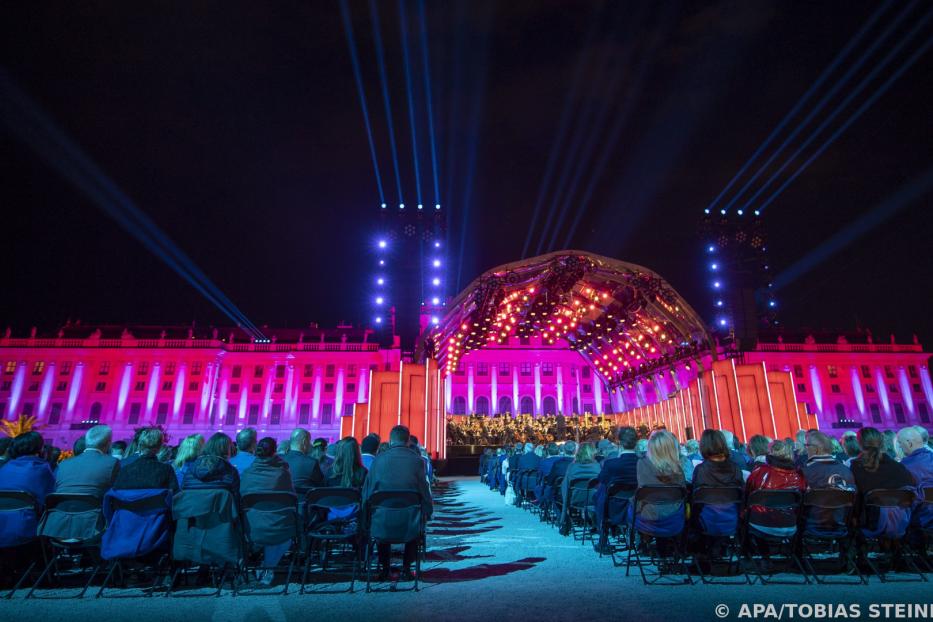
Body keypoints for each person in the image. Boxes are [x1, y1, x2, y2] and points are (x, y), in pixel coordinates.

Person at [361, 425, 432, 581]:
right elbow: (423, 489)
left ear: (390, 440)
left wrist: (364, 514)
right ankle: (406, 569)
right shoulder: (418, 461)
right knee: (416, 520)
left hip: (382, 520)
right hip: (409, 522)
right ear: (407, 440)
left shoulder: (378, 460)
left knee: (380, 517)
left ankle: (385, 569)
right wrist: (429, 510)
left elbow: (368, 490)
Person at [240, 436, 294, 585]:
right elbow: (291, 497)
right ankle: (268, 568)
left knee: (272, 529)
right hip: (278, 526)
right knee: (282, 536)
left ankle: (267, 568)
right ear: (275, 451)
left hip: (251, 527)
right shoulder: (283, 473)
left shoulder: (247, 473)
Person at [745, 439, 806, 535]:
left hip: (761, 523)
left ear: (769, 453)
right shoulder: (799, 475)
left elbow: (747, 497)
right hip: (790, 524)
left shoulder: (759, 472)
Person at [54, 424, 120, 497]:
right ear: (109, 444)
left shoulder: (63, 464)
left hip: (60, 507)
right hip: (95, 507)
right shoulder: (112, 462)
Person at [112, 427, 179, 492]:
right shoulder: (166, 470)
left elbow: (116, 493)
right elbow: (174, 494)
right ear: (159, 448)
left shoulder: (124, 469)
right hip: (155, 503)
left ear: (139, 446)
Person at [182, 433, 241, 504]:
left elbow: (183, 492)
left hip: (189, 512)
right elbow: (235, 500)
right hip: (218, 513)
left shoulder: (191, 468)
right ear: (227, 450)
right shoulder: (230, 471)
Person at [0, 431, 55, 505]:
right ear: (39, 449)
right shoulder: (41, 467)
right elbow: (49, 497)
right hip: (27, 514)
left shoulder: (6, 466)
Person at [559, 442, 601, 531]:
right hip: (594, 499)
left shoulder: (572, 467)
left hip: (576, 499)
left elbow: (565, 487)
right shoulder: (597, 467)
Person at [898, 426, 933, 528]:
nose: (900, 447)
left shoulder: (903, 466)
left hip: (922, 518)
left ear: (909, 443)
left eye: (900, 443)